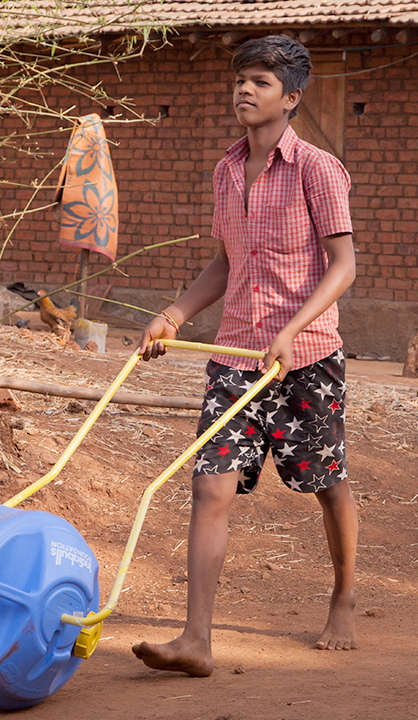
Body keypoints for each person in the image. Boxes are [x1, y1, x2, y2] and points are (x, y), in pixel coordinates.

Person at [130, 35, 359, 675]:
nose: (244, 90)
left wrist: (292, 328)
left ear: (291, 98)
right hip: (234, 354)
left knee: (326, 483)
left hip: (306, 356)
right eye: (240, 80)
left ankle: (342, 599)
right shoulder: (226, 170)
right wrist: (175, 314)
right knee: (210, 487)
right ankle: (195, 639)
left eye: (260, 81)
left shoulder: (318, 169)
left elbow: (343, 265)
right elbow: (227, 264)